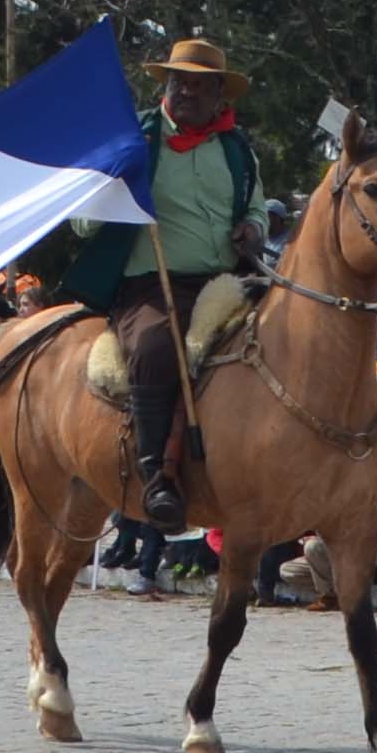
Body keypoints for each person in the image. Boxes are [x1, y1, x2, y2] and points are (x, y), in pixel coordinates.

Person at [53, 36, 260, 529]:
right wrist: (115, 185)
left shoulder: (237, 149)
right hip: (151, 284)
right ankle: (157, 475)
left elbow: (255, 204)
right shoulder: (135, 142)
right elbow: (81, 224)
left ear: (219, 97)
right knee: (155, 345)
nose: (186, 92)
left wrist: (252, 227)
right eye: (178, 82)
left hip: (227, 281)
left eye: (199, 85)